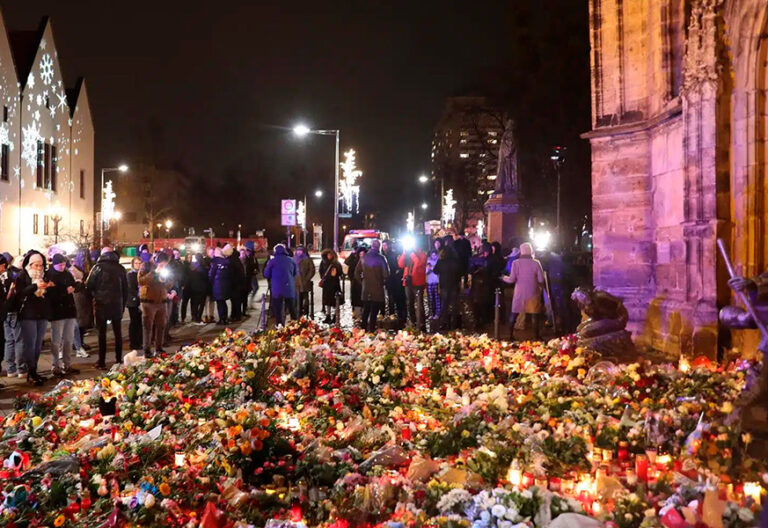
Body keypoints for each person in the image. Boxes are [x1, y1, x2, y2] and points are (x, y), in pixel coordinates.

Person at [85, 247, 128, 369]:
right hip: (117, 305)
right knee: (118, 333)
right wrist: (122, 304)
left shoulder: (98, 267)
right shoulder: (121, 269)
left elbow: (89, 286)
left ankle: (102, 361)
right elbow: (126, 289)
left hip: (101, 304)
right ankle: (118, 359)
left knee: (101, 334)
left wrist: (95, 297)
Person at [13, 251, 52, 385]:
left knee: (37, 345)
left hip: (42, 314)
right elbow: (20, 293)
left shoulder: (44, 275)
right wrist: (35, 286)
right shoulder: (23, 275)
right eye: (36, 265)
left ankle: (34, 370)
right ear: (30, 264)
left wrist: (48, 287)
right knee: (30, 344)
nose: (39, 268)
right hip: (28, 314)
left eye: (41, 265)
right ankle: (31, 371)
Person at [46, 254, 81, 376]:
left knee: (68, 339)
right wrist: (65, 291)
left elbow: (73, 284)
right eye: (59, 264)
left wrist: (76, 286)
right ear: (54, 264)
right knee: (56, 340)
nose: (62, 266)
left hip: (69, 311)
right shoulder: (50, 275)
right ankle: (55, 365)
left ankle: (67, 364)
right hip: (57, 312)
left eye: (63, 264)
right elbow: (50, 294)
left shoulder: (67, 273)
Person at [502, 242, 545, 340]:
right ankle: (536, 336)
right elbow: (541, 279)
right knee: (534, 314)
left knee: (514, 313)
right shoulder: (536, 263)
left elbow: (511, 279)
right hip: (533, 292)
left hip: (519, 292)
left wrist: (503, 277)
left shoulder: (515, 263)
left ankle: (510, 335)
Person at [138, 255, 172, 357]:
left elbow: (170, 284)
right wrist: (153, 273)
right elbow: (141, 281)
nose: (163, 266)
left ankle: (159, 348)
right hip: (148, 302)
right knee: (148, 326)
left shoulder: (166, 269)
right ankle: (147, 349)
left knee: (161, 326)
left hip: (162, 301)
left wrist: (165, 281)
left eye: (165, 265)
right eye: (162, 264)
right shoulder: (146, 266)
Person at [354, 239, 389, 332]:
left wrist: (363, 282)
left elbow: (356, 273)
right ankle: (372, 329)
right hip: (377, 289)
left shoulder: (363, 257)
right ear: (379, 247)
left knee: (366, 311)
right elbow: (386, 274)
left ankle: (363, 330)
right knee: (374, 312)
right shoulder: (381, 258)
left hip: (366, 289)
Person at [263, 244, 297, 326]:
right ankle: (295, 326)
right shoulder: (291, 260)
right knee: (292, 309)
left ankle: (280, 326)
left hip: (277, 289)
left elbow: (266, 274)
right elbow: (295, 273)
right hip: (289, 288)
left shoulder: (272, 261)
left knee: (278, 309)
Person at [2, 254, 24, 379]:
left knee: (9, 340)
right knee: (19, 340)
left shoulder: (5, 274)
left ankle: (10, 369)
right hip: (14, 310)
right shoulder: (14, 276)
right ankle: (21, 368)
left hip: (5, 311)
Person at [434, 237, 461, 331]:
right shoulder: (455, 261)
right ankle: (454, 324)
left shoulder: (441, 261)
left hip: (444, 286)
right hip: (453, 285)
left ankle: (444, 323)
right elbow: (459, 272)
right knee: (454, 305)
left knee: (444, 305)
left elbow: (435, 270)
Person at [398, 241, 427, 330]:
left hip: (418, 283)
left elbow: (418, 262)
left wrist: (412, 254)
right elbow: (400, 264)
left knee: (419, 304)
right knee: (409, 303)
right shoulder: (407, 254)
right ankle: (412, 321)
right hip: (408, 282)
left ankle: (421, 323)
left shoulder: (422, 255)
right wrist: (404, 253)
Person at [70, 249, 92, 358]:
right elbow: (76, 280)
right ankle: (77, 344)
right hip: (78, 295)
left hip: (84, 294)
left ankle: (80, 342)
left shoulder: (87, 266)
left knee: (83, 320)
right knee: (79, 320)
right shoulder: (75, 268)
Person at [468, 242, 493, 328]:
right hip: (477, 285)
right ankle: (478, 320)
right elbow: (471, 270)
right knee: (477, 304)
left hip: (485, 285)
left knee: (483, 304)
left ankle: (483, 320)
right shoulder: (476, 259)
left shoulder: (490, 259)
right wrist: (478, 269)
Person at [381, 240, 406, 322]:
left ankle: (398, 314)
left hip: (394, 280)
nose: (384, 247)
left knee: (395, 297)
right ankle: (391, 313)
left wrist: (396, 273)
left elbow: (398, 267)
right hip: (387, 280)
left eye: (385, 245)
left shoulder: (393, 255)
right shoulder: (382, 255)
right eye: (383, 245)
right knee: (389, 297)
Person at [209, 246, 233, 325]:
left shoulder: (214, 262)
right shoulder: (227, 262)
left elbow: (211, 274)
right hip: (225, 285)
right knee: (223, 302)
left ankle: (222, 319)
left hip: (217, 285)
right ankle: (225, 318)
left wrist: (210, 281)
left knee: (220, 303)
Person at [319, 249, 343, 324]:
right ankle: (328, 315)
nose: (329, 256)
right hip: (326, 284)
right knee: (327, 301)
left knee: (335, 301)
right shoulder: (323, 263)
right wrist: (323, 277)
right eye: (328, 255)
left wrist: (336, 273)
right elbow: (321, 271)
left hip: (334, 284)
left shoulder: (336, 263)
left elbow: (340, 272)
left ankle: (335, 316)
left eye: (330, 255)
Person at [184, 254, 208, 324]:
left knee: (195, 303)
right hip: (203, 287)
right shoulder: (204, 267)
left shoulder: (193, 266)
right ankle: (198, 317)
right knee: (201, 303)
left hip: (194, 287)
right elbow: (206, 277)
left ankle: (194, 316)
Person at [126, 257, 143, 350]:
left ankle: (139, 341)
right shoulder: (130, 275)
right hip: (133, 301)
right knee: (134, 322)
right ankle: (133, 343)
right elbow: (131, 289)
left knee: (139, 322)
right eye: (136, 263)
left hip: (140, 300)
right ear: (133, 264)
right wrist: (137, 298)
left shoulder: (142, 274)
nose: (138, 265)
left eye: (140, 263)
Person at [294, 246, 316, 317]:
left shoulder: (307, 259)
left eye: (300, 251)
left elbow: (312, 270)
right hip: (296, 282)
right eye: (298, 251)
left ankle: (306, 312)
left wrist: (307, 278)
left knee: (305, 297)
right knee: (298, 298)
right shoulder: (294, 259)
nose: (299, 252)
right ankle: (299, 312)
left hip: (305, 282)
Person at [346, 246, 366, 317]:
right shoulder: (354, 261)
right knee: (357, 301)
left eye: (363, 254)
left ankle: (363, 317)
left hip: (365, 285)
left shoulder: (367, 262)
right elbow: (347, 263)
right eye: (360, 254)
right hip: (356, 285)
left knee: (364, 302)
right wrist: (352, 254)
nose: (362, 256)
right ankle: (357, 316)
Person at [425, 239, 441, 321]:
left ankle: (437, 313)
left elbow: (438, 271)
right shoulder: (428, 261)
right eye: (432, 255)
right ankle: (431, 313)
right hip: (429, 282)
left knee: (437, 298)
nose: (434, 256)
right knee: (431, 299)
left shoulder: (439, 261)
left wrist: (432, 268)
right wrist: (429, 269)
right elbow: (426, 272)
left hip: (436, 282)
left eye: (435, 255)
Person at [229, 246, 245, 322]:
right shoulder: (238, 261)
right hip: (239, 284)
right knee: (237, 301)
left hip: (234, 285)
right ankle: (236, 315)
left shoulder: (232, 262)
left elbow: (231, 274)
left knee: (234, 301)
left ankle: (235, 315)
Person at [241, 246, 258, 316]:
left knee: (254, 288)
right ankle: (248, 305)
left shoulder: (250, 259)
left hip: (250, 278)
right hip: (247, 279)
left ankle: (248, 305)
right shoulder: (246, 260)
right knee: (252, 289)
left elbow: (254, 266)